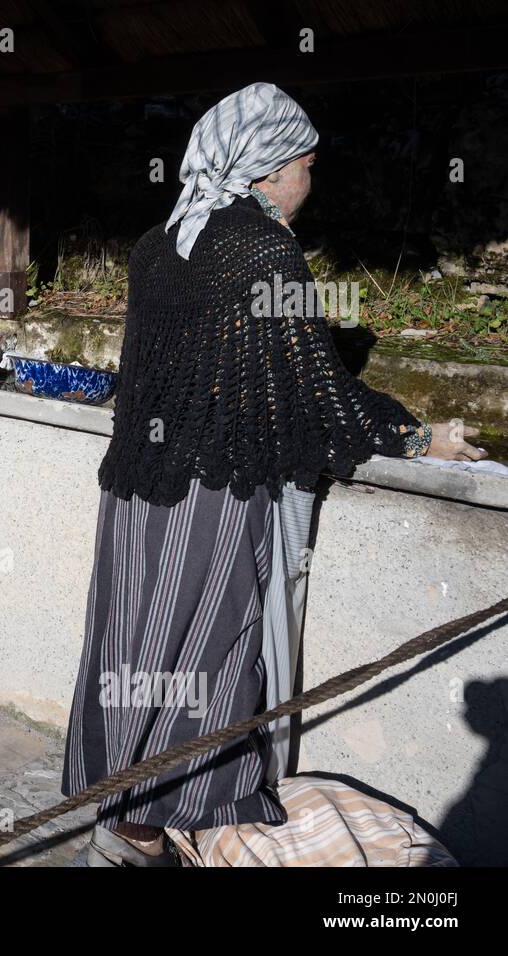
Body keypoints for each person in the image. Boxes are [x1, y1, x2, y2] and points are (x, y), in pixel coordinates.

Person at [62, 83, 487, 867]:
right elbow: (314, 390)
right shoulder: (259, 245)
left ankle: (115, 812)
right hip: (207, 491)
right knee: (205, 651)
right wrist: (419, 434)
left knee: (132, 647)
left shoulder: (158, 243)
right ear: (267, 168)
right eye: (306, 164)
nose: (310, 181)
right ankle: (147, 832)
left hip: (133, 490)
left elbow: (169, 375)